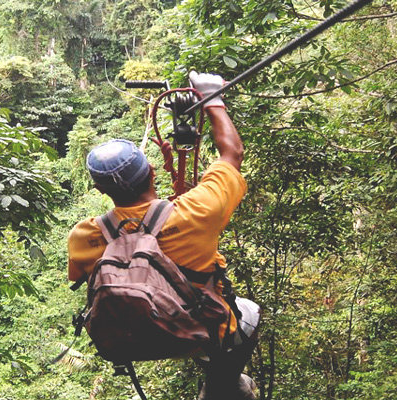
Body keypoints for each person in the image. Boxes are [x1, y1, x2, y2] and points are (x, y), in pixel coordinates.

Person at [67, 72, 260, 400]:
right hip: (200, 330)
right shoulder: (197, 213)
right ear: (152, 172)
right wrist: (212, 98)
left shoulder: (83, 236)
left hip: (127, 338)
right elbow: (232, 155)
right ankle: (223, 384)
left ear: (99, 189)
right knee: (250, 314)